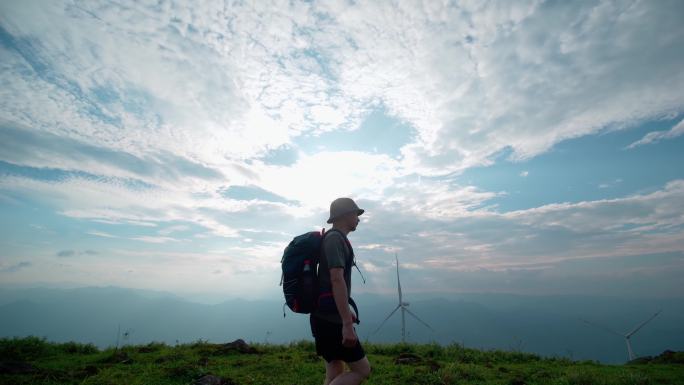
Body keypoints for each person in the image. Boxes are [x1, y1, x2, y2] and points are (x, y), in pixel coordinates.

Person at [310, 197, 371, 385]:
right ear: (345, 215)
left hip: (323, 316)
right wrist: (346, 323)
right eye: (356, 214)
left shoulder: (333, 238)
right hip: (333, 321)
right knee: (362, 370)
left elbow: (332, 282)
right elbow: (336, 279)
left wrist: (346, 310)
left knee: (334, 371)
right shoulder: (335, 239)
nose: (358, 219)